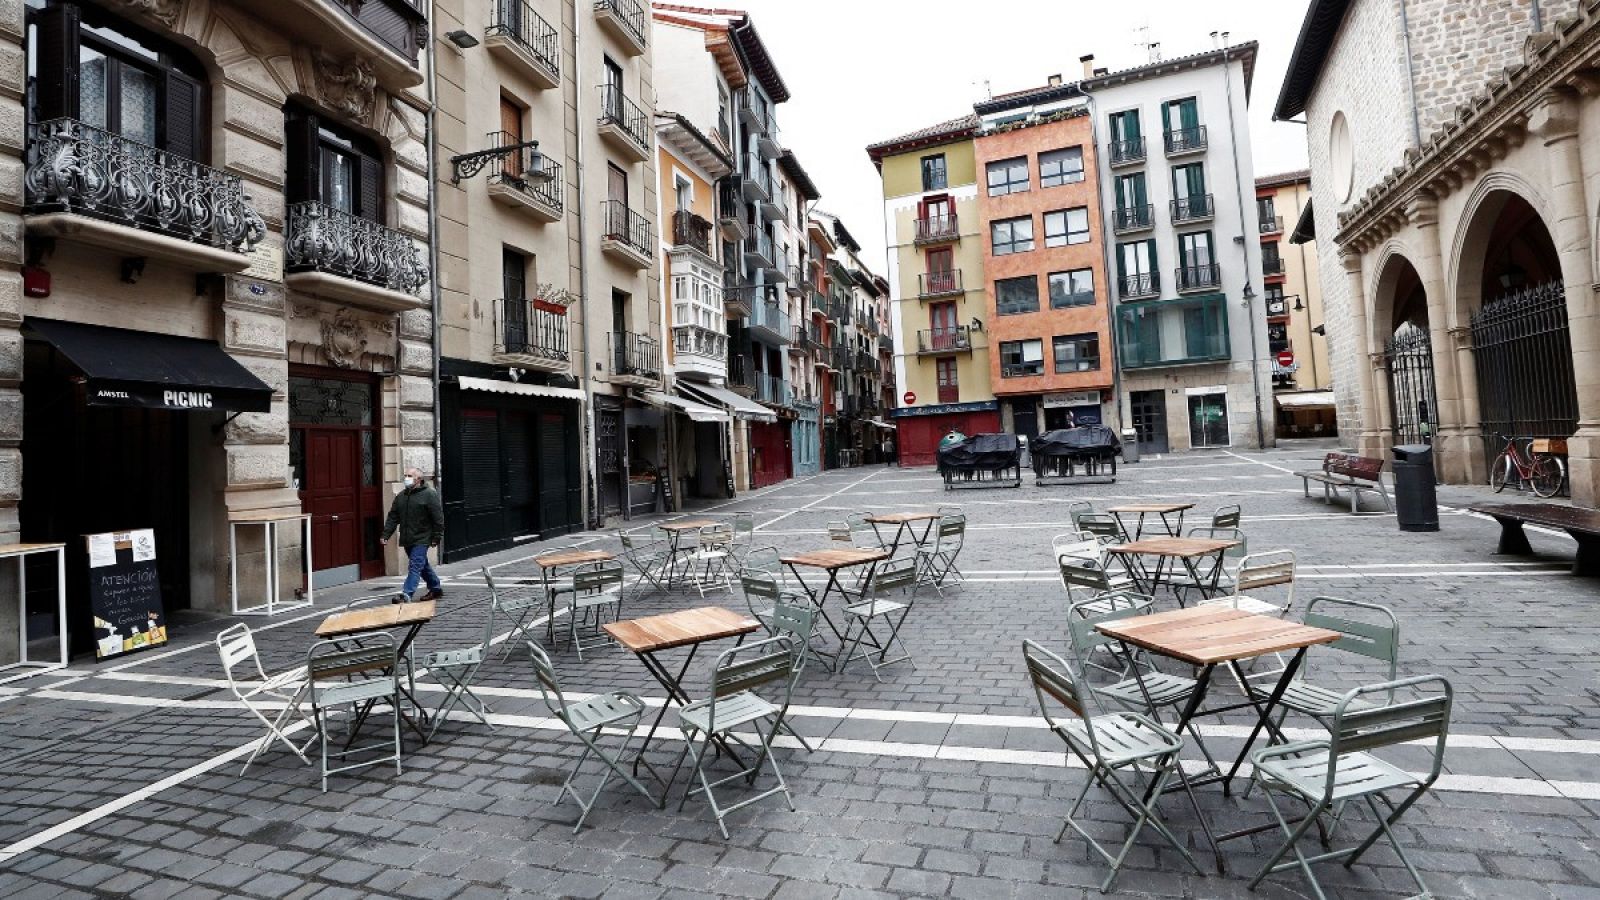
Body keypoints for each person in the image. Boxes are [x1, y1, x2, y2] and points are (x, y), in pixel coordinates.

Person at [381, 467, 445, 602]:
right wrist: (386, 535)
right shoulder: (401, 496)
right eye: (405, 475)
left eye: (409, 476)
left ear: (418, 480)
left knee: (415, 565)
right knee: (422, 565)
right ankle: (435, 588)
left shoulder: (429, 494)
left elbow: (438, 518)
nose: (406, 478)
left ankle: (406, 594)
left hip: (422, 538)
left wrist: (436, 537)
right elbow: (393, 517)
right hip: (407, 538)